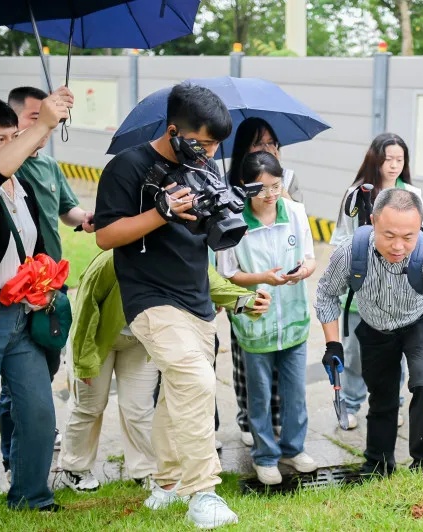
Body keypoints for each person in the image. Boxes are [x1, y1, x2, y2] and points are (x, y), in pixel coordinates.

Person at [94, 83, 239, 529]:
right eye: (203, 142)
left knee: (178, 392)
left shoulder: (207, 168)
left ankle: (167, 483)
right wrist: (163, 213)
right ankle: (203, 494)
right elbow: (106, 236)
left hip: (195, 299)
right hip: (149, 297)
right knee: (196, 381)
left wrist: (225, 209)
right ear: (174, 130)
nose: (210, 151)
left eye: (216, 144)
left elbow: (216, 237)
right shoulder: (128, 167)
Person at [58, 250, 269, 492]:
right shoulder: (111, 261)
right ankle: (75, 468)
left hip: (139, 340)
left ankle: (144, 469)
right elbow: (85, 311)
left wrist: (250, 303)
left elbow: (216, 286)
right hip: (95, 340)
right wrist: (85, 362)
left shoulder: (181, 256)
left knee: (138, 409)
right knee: (89, 406)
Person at [314, 188, 423, 475]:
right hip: (374, 326)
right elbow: (325, 294)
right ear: (372, 221)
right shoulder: (350, 252)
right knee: (381, 396)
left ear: (419, 225)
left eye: (408, 237)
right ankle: (378, 464)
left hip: (418, 322)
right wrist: (332, 344)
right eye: (389, 235)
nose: (398, 246)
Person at [0, 86, 96, 474]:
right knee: (16, 382)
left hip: (50, 290)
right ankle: (13, 456)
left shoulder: (50, 166)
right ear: (13, 120)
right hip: (12, 292)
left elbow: (68, 210)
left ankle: (27, 445)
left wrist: (88, 219)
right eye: (35, 118)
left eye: (49, 117)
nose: (46, 125)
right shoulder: (6, 166)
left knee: (44, 370)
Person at [0, 88, 72, 513]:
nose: (9, 147)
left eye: (10, 137)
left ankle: (32, 497)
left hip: (24, 314)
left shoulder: (24, 185)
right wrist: (42, 122)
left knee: (38, 411)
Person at [217, 151, 317, 485]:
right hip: (255, 320)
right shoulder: (232, 220)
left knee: (295, 391)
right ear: (244, 188)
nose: (270, 194)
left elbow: (310, 258)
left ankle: (293, 448)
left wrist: (302, 271)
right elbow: (228, 273)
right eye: (261, 189)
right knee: (258, 394)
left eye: (275, 186)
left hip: (293, 317)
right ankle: (264, 456)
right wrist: (263, 277)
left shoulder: (296, 213)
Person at [330, 133, 423, 430]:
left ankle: (392, 403)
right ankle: (351, 403)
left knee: (395, 354)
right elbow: (341, 238)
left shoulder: (412, 193)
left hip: (399, 291)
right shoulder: (356, 194)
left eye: (400, 159)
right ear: (375, 159)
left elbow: (422, 240)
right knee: (356, 353)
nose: (395, 165)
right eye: (389, 159)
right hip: (362, 289)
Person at [226, 116, 301, 445]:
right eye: (260, 144)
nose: (269, 148)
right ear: (244, 149)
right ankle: (249, 419)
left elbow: (299, 225)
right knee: (248, 353)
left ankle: (278, 419)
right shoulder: (229, 189)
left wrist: (278, 194)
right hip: (242, 289)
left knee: (283, 355)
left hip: (283, 288)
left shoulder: (289, 181)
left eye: (272, 143)